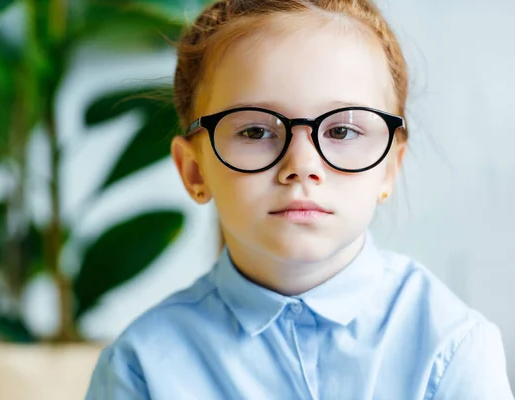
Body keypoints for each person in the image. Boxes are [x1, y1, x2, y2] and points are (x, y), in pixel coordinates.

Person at [85, 0, 514, 398]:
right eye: (255, 131)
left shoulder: (452, 348)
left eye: (342, 131)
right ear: (194, 170)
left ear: (389, 167)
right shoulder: (140, 368)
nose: (302, 165)